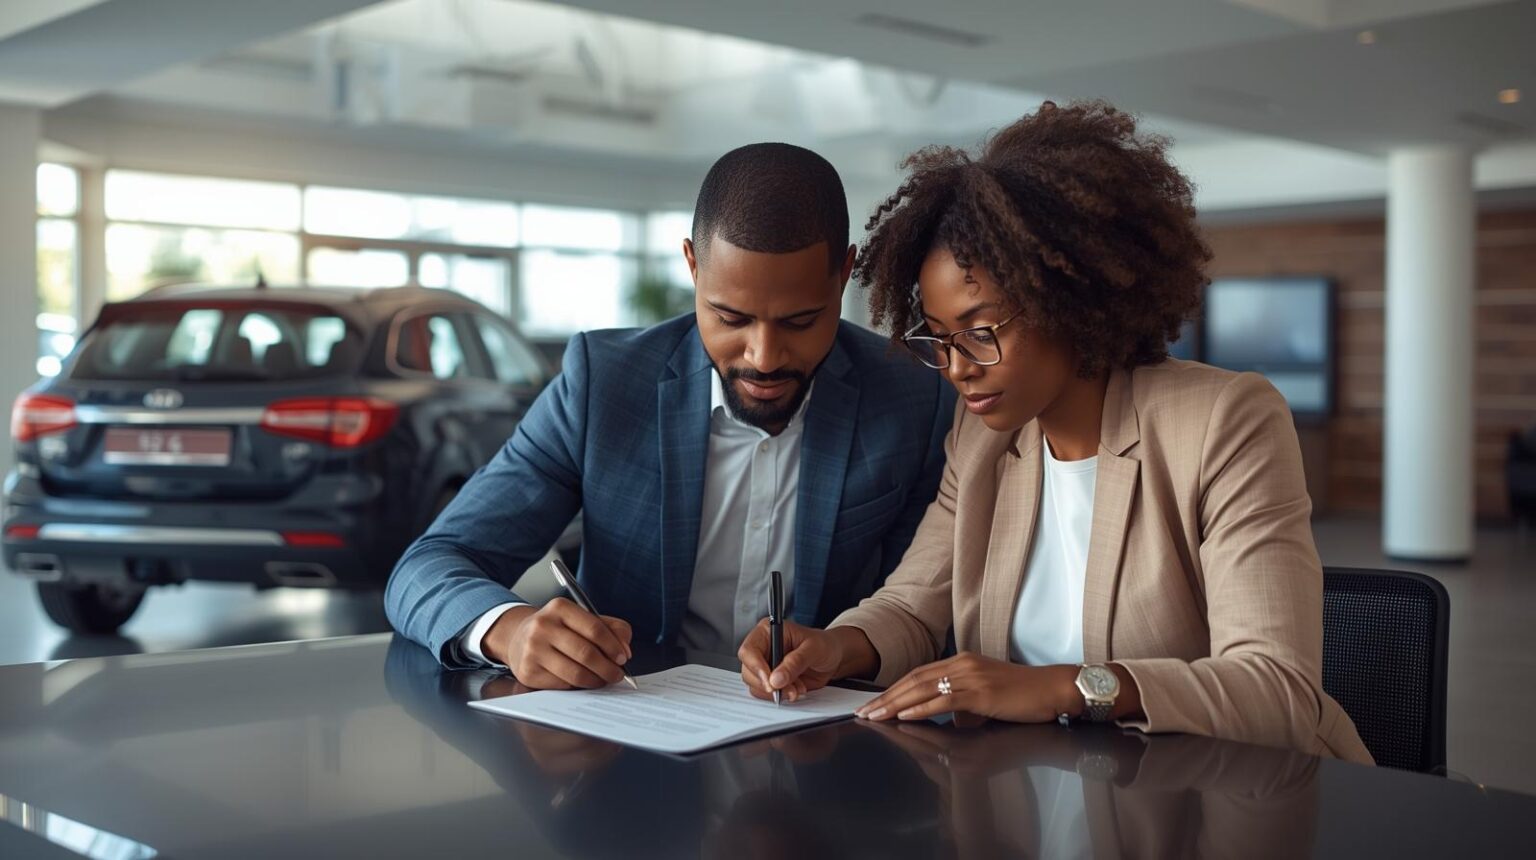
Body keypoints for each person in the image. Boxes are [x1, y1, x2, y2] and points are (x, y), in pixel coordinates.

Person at [738, 101, 1371, 763]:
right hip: (1049, 794)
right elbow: (913, 605)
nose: (954, 369)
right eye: (939, 339)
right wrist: (834, 647)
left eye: (981, 333)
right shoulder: (984, 437)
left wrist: (1067, 688)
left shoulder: (1224, 422)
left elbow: (1279, 690)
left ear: (1066, 298)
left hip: (1231, 803)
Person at [385, 142, 955, 689]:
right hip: (631, 743)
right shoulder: (602, 386)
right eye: (731, 318)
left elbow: (922, 616)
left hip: (820, 748)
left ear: (844, 273)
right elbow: (429, 566)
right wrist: (509, 632)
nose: (764, 356)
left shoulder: (912, 399)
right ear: (692, 266)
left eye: (800, 322)